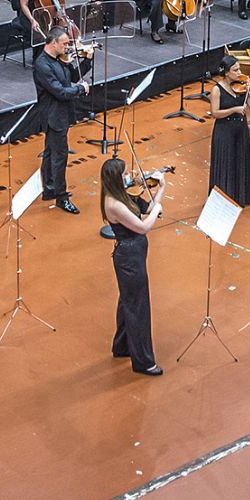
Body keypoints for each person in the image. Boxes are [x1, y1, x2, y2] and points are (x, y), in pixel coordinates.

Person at [100, 157, 163, 374]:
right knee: (138, 306)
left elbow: (149, 208)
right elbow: (144, 226)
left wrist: (161, 187)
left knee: (128, 300)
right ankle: (144, 362)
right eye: (125, 173)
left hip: (133, 255)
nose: (130, 176)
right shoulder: (114, 204)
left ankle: (122, 346)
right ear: (117, 178)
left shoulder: (122, 195)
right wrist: (158, 209)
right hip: (129, 258)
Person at [33, 25, 92, 213]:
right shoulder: (42, 65)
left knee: (50, 152)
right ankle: (61, 196)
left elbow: (73, 77)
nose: (67, 47)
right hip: (53, 115)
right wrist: (81, 89)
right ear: (53, 43)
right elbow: (59, 91)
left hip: (61, 113)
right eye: (65, 44)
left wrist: (87, 60)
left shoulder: (60, 59)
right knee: (60, 156)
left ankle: (49, 189)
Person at [209, 55, 250, 206]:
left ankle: (239, 196)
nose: (240, 72)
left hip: (241, 129)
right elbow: (215, 113)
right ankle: (221, 199)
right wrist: (234, 109)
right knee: (224, 162)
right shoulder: (217, 90)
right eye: (236, 70)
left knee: (240, 160)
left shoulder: (243, 85)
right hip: (224, 131)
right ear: (227, 72)